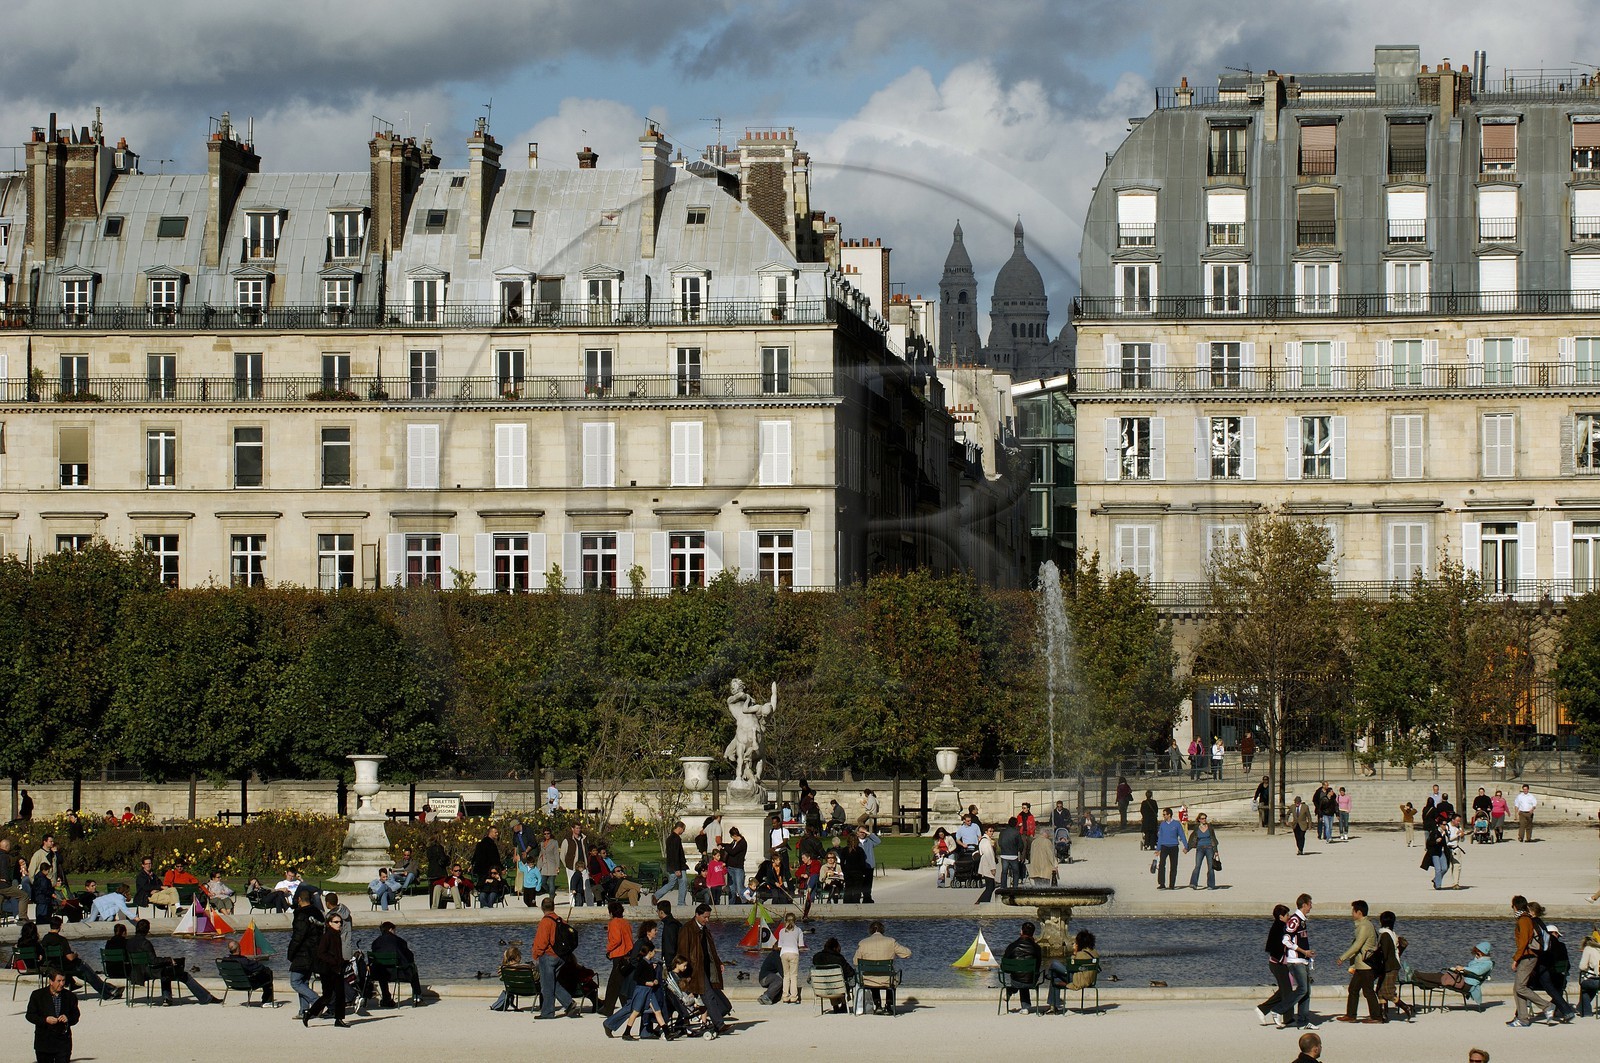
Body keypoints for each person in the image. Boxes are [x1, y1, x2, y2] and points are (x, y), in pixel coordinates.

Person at [126, 917, 218, 1005]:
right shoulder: (146, 943)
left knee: (165, 970)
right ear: (147, 930)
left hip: (135, 972)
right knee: (183, 975)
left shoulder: (129, 942)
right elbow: (153, 961)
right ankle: (206, 998)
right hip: (148, 972)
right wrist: (169, 959)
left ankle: (167, 998)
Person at [676, 903, 730, 1035]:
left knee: (713, 996)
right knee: (709, 996)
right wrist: (686, 972)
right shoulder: (687, 929)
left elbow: (711, 949)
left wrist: (718, 962)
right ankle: (719, 1024)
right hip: (695, 970)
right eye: (705, 917)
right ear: (697, 915)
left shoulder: (704, 929)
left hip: (706, 967)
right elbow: (682, 951)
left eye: (708, 917)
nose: (707, 920)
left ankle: (683, 1022)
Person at [40, 916, 115, 999]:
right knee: (90, 975)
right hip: (68, 966)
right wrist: (76, 954)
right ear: (60, 926)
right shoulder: (61, 940)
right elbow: (70, 958)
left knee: (87, 976)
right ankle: (107, 992)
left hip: (55, 966)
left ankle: (109, 989)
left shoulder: (45, 939)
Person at [1333, 900, 1381, 1023]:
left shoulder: (1365, 926)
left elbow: (1357, 945)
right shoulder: (1362, 925)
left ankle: (1376, 1017)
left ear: (1359, 912)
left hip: (1366, 965)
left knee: (1368, 991)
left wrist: (1342, 958)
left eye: (1353, 911)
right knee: (1353, 989)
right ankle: (1351, 1015)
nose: (1352, 914)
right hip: (1361, 965)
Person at [532, 896, 579, 1019]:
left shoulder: (545, 921)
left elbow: (542, 941)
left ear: (542, 908)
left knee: (546, 985)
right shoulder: (560, 920)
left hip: (548, 956)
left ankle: (547, 1012)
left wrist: (536, 954)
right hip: (561, 956)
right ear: (554, 907)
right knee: (552, 982)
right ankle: (569, 1003)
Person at [301, 909, 349, 1027]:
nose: (339, 924)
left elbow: (336, 953)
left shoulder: (336, 935)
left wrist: (343, 961)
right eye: (336, 922)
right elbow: (321, 953)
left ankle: (339, 1019)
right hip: (328, 970)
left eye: (340, 922)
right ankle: (310, 1013)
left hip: (336, 968)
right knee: (327, 995)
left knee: (340, 994)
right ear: (329, 923)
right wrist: (334, 961)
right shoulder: (327, 936)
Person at [1509, 894, 1551, 1026]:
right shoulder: (1524, 918)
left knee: (1520, 987)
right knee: (1517, 988)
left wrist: (1516, 959)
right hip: (1527, 956)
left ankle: (1546, 1006)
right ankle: (1523, 1018)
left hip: (1528, 956)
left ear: (1515, 907)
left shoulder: (1524, 920)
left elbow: (1523, 942)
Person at [854, 919, 910, 1014]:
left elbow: (855, 962)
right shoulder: (891, 941)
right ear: (882, 930)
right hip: (887, 979)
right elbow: (907, 954)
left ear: (870, 930)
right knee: (891, 975)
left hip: (869, 979)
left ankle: (878, 1005)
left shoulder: (863, 943)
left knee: (873, 975)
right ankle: (888, 1005)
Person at [1412, 942, 1495, 1006]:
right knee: (1441, 979)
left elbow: (1478, 971)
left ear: (1484, 953)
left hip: (1468, 984)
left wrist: (1463, 968)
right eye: (1476, 953)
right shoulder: (1479, 960)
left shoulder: (1488, 963)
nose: (1476, 955)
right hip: (1464, 980)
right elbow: (1472, 970)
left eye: (1478, 953)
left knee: (1441, 977)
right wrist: (1458, 970)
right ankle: (1417, 980)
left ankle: (1416, 975)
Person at [27, 969, 78, 1063]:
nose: (62, 984)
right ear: (51, 981)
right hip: (44, 1041)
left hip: (63, 1042)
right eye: (59, 981)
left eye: (63, 980)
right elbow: (30, 1015)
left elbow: (76, 1016)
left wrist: (68, 1018)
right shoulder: (38, 995)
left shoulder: (70, 996)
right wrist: (45, 1019)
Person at [287, 889, 324, 1015]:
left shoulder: (302, 915)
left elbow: (298, 936)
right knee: (304, 981)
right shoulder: (317, 912)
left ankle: (316, 1000)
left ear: (299, 900)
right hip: (315, 951)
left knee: (295, 981)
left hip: (303, 951)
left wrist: (291, 952)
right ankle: (304, 1010)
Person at [369, 920, 423, 1007]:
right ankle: (417, 997)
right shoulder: (399, 941)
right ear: (390, 930)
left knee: (381, 968)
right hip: (398, 973)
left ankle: (386, 998)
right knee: (413, 968)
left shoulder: (376, 942)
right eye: (395, 930)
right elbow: (409, 957)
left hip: (379, 974)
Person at [1283, 893, 1317, 1029]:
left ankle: (1303, 1020)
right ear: (1304, 905)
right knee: (1303, 989)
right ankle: (1279, 1009)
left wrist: (1307, 954)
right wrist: (1303, 952)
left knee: (1306, 991)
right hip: (1296, 961)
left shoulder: (1302, 920)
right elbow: (1286, 940)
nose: (1311, 907)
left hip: (1303, 960)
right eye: (1310, 904)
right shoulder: (1295, 920)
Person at [1044, 928, 1098, 1014]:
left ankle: (1049, 976)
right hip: (1090, 980)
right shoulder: (1095, 953)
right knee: (1056, 979)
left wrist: (1074, 953)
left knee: (1054, 963)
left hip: (1078, 980)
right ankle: (1053, 1007)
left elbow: (1070, 968)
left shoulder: (1080, 954)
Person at [1256, 904, 1293, 1026]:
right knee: (1287, 991)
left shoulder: (1280, 926)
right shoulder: (1279, 927)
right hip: (1277, 964)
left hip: (1279, 963)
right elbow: (1276, 947)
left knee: (1285, 990)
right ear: (1281, 916)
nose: (1289, 916)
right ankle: (1285, 1017)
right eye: (1287, 914)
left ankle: (1263, 1009)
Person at [1374, 910, 1412, 1021]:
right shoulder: (1390, 933)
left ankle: (1406, 1007)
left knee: (1388, 992)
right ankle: (1383, 1014)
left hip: (1390, 966)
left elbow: (1385, 954)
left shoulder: (1385, 935)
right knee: (1379, 990)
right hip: (1390, 965)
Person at [598, 900, 633, 1017]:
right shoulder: (625, 922)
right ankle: (627, 1006)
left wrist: (608, 949)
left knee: (613, 984)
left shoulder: (614, 923)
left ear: (612, 913)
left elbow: (616, 940)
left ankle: (608, 1009)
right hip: (627, 955)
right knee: (621, 983)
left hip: (618, 955)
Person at [1000, 921, 1043, 1013]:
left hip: (1016, 980)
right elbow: (1038, 966)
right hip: (1031, 981)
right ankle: (1025, 1007)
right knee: (1026, 976)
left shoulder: (1012, 946)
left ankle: (1010, 991)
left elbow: (1004, 966)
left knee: (1020, 977)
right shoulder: (1037, 948)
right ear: (1033, 933)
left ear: (1021, 931)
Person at [225, 939, 277, 1005]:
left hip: (232, 984)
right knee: (268, 972)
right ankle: (267, 1000)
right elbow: (260, 967)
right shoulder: (243, 961)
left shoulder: (225, 960)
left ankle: (267, 999)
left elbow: (221, 973)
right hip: (247, 984)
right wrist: (255, 962)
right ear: (238, 948)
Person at [811, 936, 855, 1013]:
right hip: (839, 988)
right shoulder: (839, 958)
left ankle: (835, 1006)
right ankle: (844, 1005)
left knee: (828, 980)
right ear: (835, 948)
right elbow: (850, 972)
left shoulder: (816, 957)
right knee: (841, 981)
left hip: (822, 988)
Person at [655, 821, 689, 907]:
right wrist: (677, 869)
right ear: (679, 828)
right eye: (683, 829)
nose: (683, 831)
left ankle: (657, 895)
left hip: (672, 865)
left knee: (671, 883)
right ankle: (681, 902)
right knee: (683, 882)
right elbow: (675, 854)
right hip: (678, 866)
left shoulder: (670, 838)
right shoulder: (676, 839)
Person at [1155, 807, 1187, 890]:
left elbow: (1182, 835)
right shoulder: (1162, 824)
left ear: (1169, 815)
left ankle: (1172, 884)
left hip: (1174, 847)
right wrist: (1158, 849)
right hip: (1164, 846)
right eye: (1163, 814)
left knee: (1173, 866)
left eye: (1165, 814)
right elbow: (1160, 837)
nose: (1164, 816)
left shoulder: (1176, 824)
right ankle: (1162, 883)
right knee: (1161, 865)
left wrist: (1186, 846)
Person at [777, 910, 805, 1003]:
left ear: (785, 920)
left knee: (786, 976)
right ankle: (793, 997)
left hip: (784, 953)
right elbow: (801, 945)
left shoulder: (781, 931)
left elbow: (780, 945)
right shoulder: (799, 930)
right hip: (794, 953)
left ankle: (785, 996)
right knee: (794, 976)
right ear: (795, 920)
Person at [1188, 812, 1220, 890]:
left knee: (1210, 867)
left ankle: (1211, 884)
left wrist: (1216, 851)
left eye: (1205, 818)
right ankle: (1193, 883)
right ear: (1199, 819)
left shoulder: (1210, 827)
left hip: (1209, 848)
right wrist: (1187, 848)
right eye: (1202, 818)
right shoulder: (1196, 828)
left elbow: (1213, 839)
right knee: (1197, 866)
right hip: (1200, 848)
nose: (1204, 820)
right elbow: (1192, 839)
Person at [562, 822, 590, 906]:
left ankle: (589, 903)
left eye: (579, 828)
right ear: (572, 829)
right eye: (576, 828)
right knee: (572, 886)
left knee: (586, 886)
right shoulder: (567, 840)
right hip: (571, 867)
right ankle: (572, 904)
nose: (578, 830)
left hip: (583, 866)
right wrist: (567, 865)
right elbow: (562, 855)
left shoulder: (584, 839)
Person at [1576, 927, 1600, 1018]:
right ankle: (1580, 1008)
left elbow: (1582, 966)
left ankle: (1586, 1012)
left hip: (1596, 981)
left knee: (1584, 986)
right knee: (1591, 986)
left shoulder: (1588, 949)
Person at [723, 827, 749, 903]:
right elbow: (730, 846)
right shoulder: (734, 842)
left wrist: (725, 847)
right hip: (730, 867)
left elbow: (733, 852)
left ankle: (745, 902)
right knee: (731, 889)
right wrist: (722, 844)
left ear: (734, 835)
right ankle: (731, 904)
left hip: (738, 868)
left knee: (740, 888)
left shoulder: (742, 843)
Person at [974, 825, 999, 904]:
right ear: (986, 832)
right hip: (987, 864)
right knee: (990, 886)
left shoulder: (986, 840)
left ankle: (983, 901)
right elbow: (989, 855)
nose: (991, 833)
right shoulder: (985, 841)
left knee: (990, 886)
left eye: (992, 831)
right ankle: (982, 901)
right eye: (990, 831)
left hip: (986, 863)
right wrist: (992, 868)